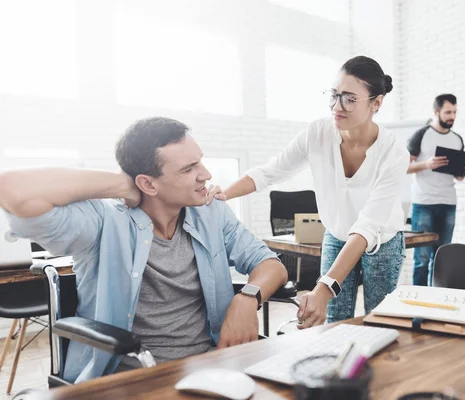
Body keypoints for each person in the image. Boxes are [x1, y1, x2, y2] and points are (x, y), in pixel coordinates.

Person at [0, 117, 287, 383]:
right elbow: (10, 188)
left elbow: (270, 265)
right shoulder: (104, 223)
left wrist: (247, 299)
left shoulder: (212, 213)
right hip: (134, 376)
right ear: (147, 183)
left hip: (213, 366)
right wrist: (120, 185)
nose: (206, 174)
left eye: (199, 162)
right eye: (189, 169)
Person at [215, 56, 410, 328]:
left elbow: (367, 227)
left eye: (349, 99)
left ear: (376, 103)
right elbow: (271, 171)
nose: (336, 106)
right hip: (337, 234)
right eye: (334, 95)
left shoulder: (394, 153)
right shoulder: (318, 133)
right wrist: (223, 194)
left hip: (382, 240)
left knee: (379, 320)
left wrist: (323, 287)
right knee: (333, 320)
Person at [406, 94, 465, 286]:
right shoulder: (421, 135)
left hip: (448, 202)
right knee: (422, 259)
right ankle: (417, 307)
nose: (452, 116)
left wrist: (460, 173)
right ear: (436, 112)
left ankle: (437, 302)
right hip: (424, 203)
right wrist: (427, 164)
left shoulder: (457, 139)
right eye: (448, 112)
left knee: (442, 258)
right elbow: (404, 167)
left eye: (454, 112)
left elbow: (459, 175)